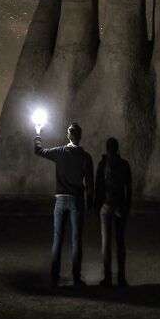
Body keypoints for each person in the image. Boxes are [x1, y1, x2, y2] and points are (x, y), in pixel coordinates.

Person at [34, 120, 94, 287]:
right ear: (80, 137)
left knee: (57, 239)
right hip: (77, 201)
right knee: (76, 241)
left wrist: (38, 132)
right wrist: (91, 203)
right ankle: (76, 278)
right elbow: (89, 183)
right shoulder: (86, 157)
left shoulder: (59, 152)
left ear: (68, 135)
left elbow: (38, 150)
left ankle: (54, 277)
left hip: (60, 200)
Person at [94, 137, 132, 287]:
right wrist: (128, 205)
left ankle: (108, 277)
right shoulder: (124, 165)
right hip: (120, 204)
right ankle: (121, 277)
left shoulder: (103, 164)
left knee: (106, 242)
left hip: (106, 204)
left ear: (106, 148)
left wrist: (97, 206)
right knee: (120, 241)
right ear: (117, 148)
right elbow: (129, 188)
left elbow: (98, 187)